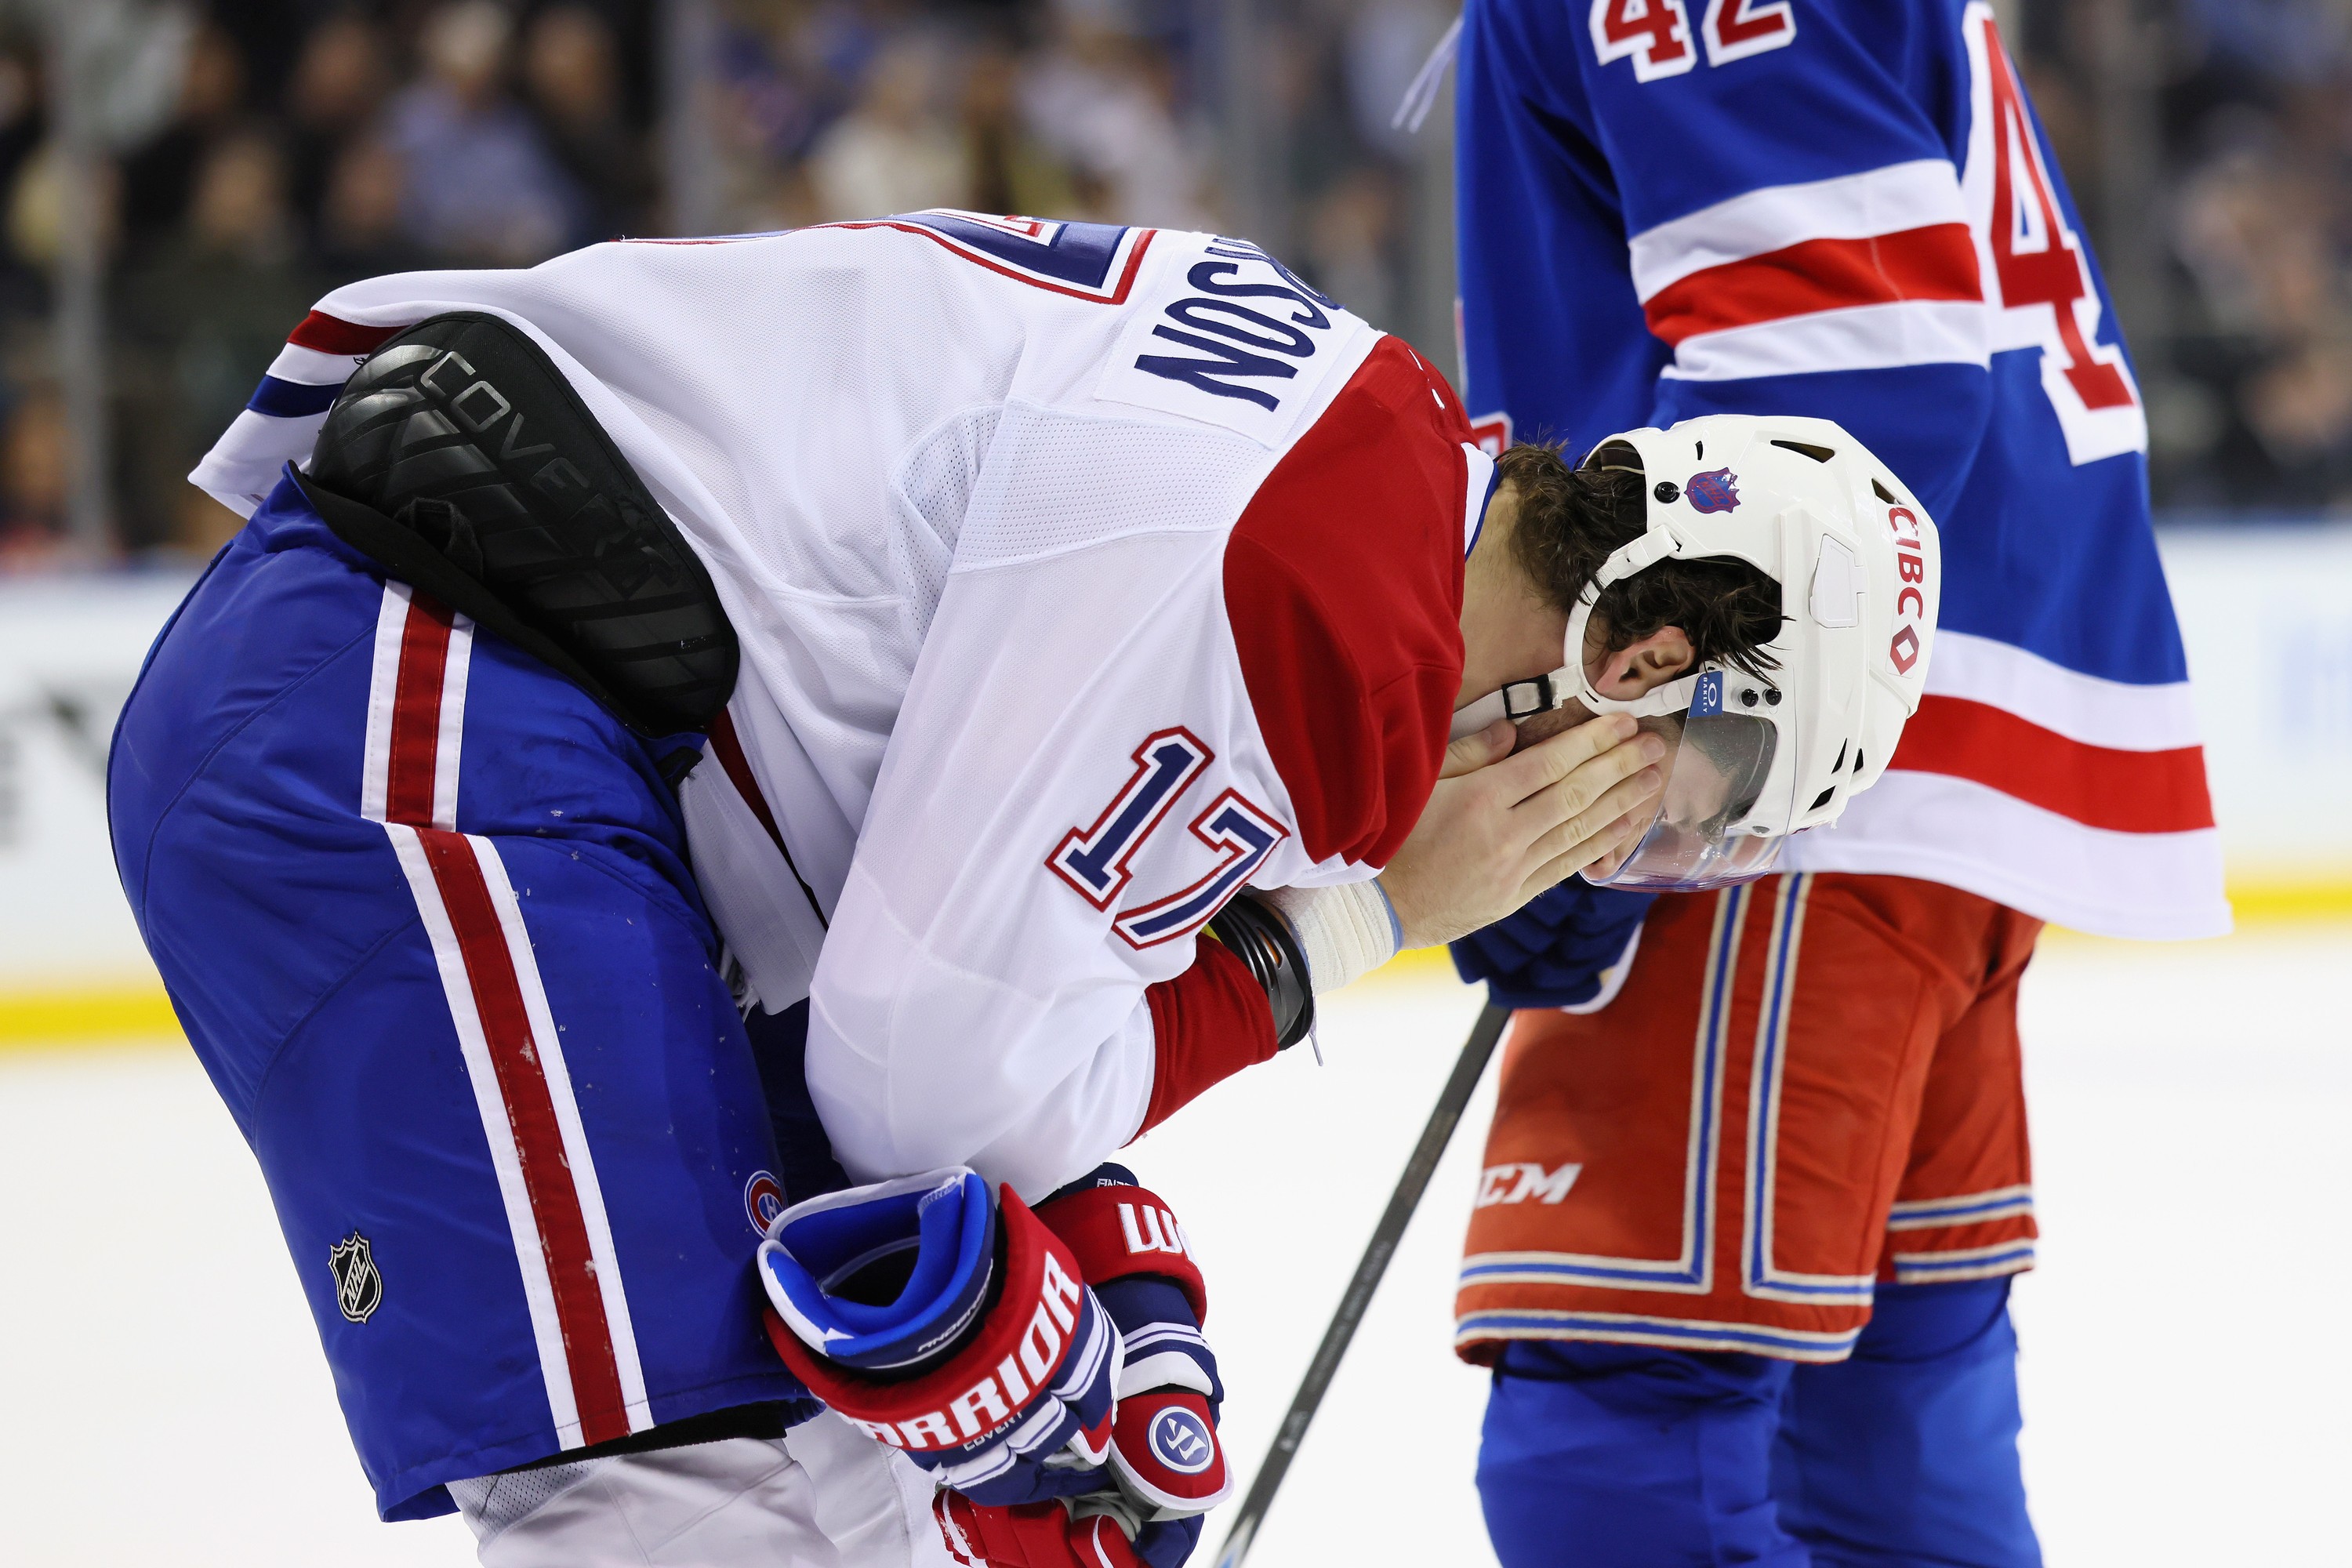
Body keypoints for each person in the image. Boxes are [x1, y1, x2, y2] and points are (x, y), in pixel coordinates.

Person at [111, 212, 1861, 1565]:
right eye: (1683, 797)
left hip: (462, 711)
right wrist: (1355, 926)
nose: (1632, 852)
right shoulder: (1311, 597)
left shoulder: (1365, 459)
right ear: (1635, 655)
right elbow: (922, 1089)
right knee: (704, 1509)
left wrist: (1081, 1285)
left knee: (838, 1476)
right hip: (413, 729)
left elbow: (958, 993)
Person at [1442, 4, 2230, 1566]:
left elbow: (1843, 369)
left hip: (1797, 775)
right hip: (1916, 771)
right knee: (1878, 1443)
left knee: (1624, 1429)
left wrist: (1641, 774)